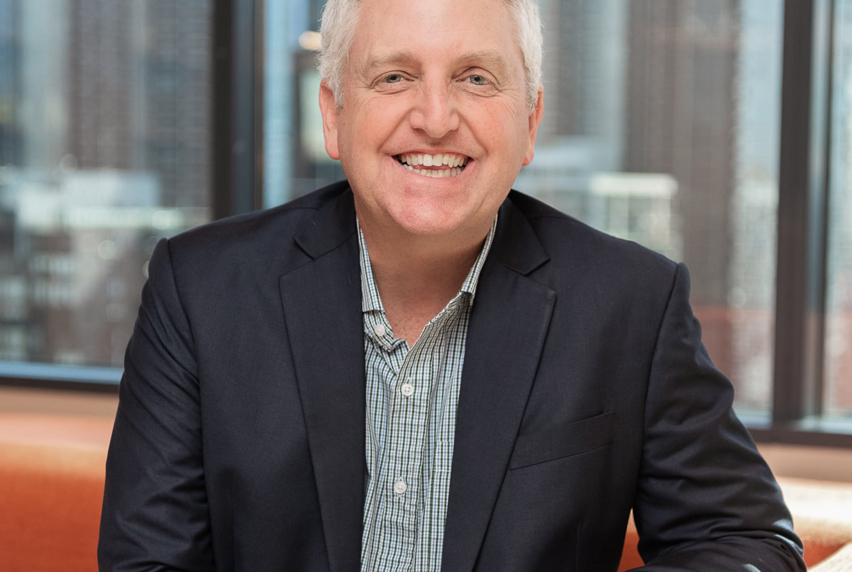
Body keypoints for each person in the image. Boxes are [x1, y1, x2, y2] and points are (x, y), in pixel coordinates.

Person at [98, 0, 807, 570]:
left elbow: (749, 541)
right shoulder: (200, 289)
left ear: (528, 122)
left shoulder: (630, 303)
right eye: (394, 77)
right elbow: (148, 560)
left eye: (475, 78)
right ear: (332, 115)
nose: (436, 119)